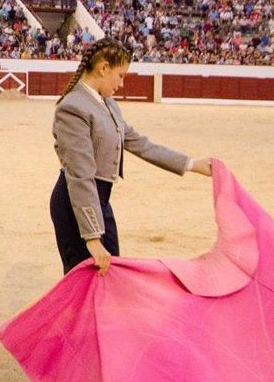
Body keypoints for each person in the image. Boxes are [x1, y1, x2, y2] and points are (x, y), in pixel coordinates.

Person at [50, 40, 213, 275]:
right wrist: (92, 236)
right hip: (76, 204)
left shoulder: (108, 105)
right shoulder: (72, 107)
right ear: (103, 68)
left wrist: (191, 164)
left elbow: (141, 144)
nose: (122, 83)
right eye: (120, 75)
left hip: (100, 201)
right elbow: (80, 174)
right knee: (85, 282)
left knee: (110, 275)